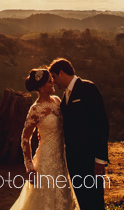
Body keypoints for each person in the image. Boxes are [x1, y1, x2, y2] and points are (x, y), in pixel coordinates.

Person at [9, 68, 80, 210]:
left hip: (62, 159)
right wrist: (29, 167)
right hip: (46, 161)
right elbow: (25, 138)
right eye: (49, 81)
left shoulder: (57, 101)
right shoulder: (35, 109)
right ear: (41, 87)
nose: (53, 82)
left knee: (63, 197)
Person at [49, 58, 109, 210]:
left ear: (62, 73)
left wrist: (100, 159)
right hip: (74, 160)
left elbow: (101, 123)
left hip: (90, 159)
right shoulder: (64, 97)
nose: (54, 82)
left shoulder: (88, 89)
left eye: (54, 77)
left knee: (94, 200)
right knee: (82, 199)